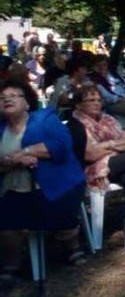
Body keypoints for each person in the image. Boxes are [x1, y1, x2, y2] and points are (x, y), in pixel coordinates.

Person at [0, 80, 88, 281]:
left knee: (60, 209)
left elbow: (60, 146)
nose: (7, 99)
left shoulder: (44, 119)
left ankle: (71, 247)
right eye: (2, 97)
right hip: (13, 187)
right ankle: (11, 263)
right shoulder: (0, 129)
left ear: (27, 103)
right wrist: (12, 161)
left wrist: (26, 151)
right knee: (5, 222)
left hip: (53, 183)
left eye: (14, 95)